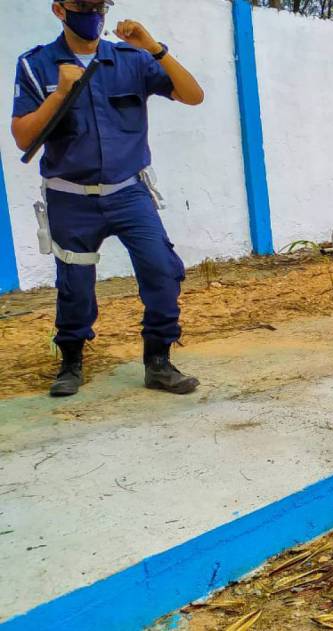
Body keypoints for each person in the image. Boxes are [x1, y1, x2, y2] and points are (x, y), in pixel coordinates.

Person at [12, 0, 205, 397]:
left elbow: (193, 95)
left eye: (99, 4)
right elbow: (23, 137)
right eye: (83, 5)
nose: (93, 13)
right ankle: (71, 361)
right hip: (71, 199)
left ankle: (158, 361)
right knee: (75, 285)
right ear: (59, 10)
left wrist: (155, 48)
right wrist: (60, 93)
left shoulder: (132, 59)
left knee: (162, 270)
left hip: (129, 193)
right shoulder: (37, 65)